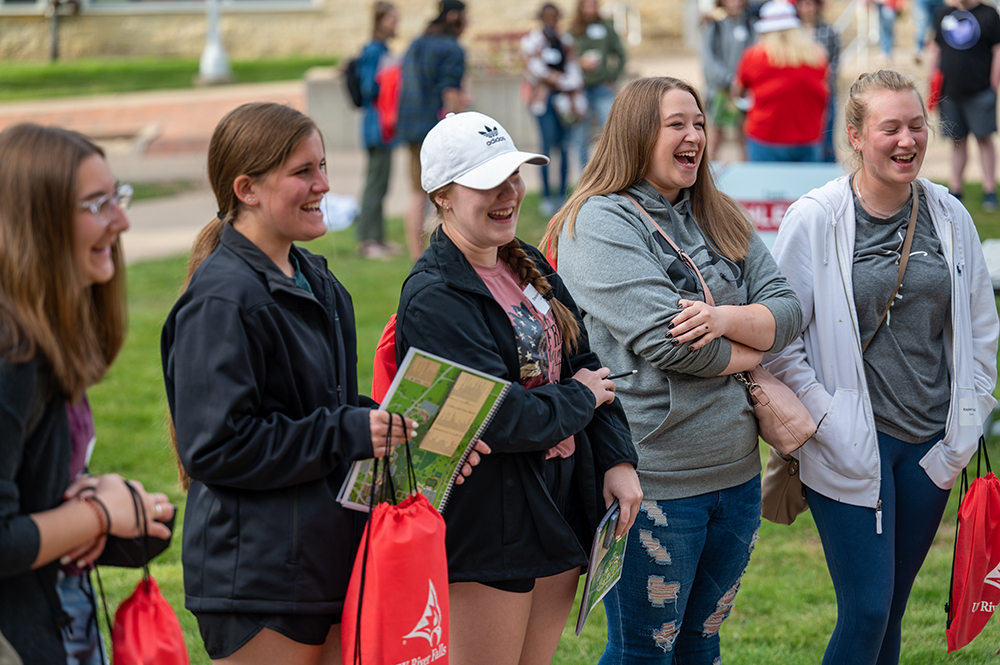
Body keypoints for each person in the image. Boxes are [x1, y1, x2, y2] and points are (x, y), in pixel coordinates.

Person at [161, 102, 440, 664]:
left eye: (323, 166)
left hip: (327, 557)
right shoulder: (221, 300)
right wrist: (348, 430)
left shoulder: (317, 278)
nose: (324, 185)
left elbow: (322, 408)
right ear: (247, 189)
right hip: (257, 576)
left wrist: (404, 426)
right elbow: (217, 446)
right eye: (303, 172)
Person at [543, 76, 802, 663]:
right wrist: (754, 345)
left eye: (700, 123)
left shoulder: (719, 213)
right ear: (637, 134)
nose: (695, 137)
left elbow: (788, 308)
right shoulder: (600, 222)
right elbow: (676, 347)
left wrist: (723, 317)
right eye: (676, 124)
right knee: (645, 651)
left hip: (737, 479)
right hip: (653, 483)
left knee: (701, 644)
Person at [764, 70, 1000, 665]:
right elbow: (781, 338)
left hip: (930, 449)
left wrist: (965, 427)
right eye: (889, 128)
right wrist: (824, 421)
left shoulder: (950, 215)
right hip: (847, 445)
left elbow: (979, 327)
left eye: (917, 126)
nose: (907, 140)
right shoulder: (816, 218)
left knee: (890, 609)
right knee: (867, 609)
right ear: (855, 136)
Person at [395, 110, 642, 665]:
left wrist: (617, 462)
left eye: (514, 175)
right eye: (487, 182)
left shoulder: (524, 261)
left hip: (560, 502)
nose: (509, 193)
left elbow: (587, 361)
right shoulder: (434, 294)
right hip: (492, 518)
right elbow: (495, 415)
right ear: (441, 195)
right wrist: (578, 397)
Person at [0, 123, 175, 665]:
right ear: (38, 222)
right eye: (97, 204)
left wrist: (107, 501)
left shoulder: (40, 341)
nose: (121, 220)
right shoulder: (13, 354)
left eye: (116, 197)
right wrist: (101, 514)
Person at [397, 0, 469, 262]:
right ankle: (440, 259)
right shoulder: (451, 48)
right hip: (438, 133)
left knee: (417, 193)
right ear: (453, 16)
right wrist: (461, 128)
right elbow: (450, 91)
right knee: (449, 195)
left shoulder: (418, 41)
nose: (467, 22)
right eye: (465, 16)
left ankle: (418, 259)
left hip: (411, 126)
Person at [732, 0, 829, 162]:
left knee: (765, 185)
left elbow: (738, 92)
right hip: (808, 136)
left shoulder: (754, 57)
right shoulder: (817, 55)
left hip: (765, 136)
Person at [928, 0, 1000, 210]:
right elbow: (936, 49)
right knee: (957, 140)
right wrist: (931, 84)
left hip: (981, 90)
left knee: (983, 138)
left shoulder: (989, 14)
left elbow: (997, 50)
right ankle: (956, 190)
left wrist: (993, 85)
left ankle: (989, 190)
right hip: (949, 91)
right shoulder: (943, 15)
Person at [521, 2, 587, 216]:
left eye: (554, 17)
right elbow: (534, 69)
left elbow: (573, 68)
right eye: (547, 17)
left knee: (565, 146)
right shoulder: (533, 41)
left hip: (564, 100)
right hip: (545, 101)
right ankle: (547, 196)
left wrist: (568, 86)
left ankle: (563, 194)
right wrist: (560, 80)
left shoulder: (565, 40)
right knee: (546, 147)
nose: (551, 21)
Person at [356, 1, 404, 260]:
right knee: (374, 184)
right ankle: (367, 240)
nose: (396, 23)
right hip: (376, 127)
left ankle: (379, 237)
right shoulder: (374, 51)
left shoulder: (383, 49)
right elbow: (368, 88)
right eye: (392, 19)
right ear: (380, 20)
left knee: (382, 184)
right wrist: (388, 77)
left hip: (385, 128)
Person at [569, 0, 627, 167]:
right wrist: (579, 63)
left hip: (602, 87)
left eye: (594, 4)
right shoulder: (573, 30)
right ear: (580, 7)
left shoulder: (607, 28)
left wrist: (612, 76)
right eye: (587, 5)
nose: (591, 8)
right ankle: (583, 181)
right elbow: (566, 58)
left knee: (612, 132)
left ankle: (612, 174)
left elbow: (621, 54)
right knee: (580, 137)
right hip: (579, 89)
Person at [701, 0, 755, 161]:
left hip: (745, 91)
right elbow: (709, 61)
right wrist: (730, 80)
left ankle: (749, 176)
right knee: (714, 138)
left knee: (745, 137)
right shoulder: (713, 27)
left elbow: (754, 55)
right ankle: (706, 178)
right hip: (719, 91)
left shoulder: (752, 26)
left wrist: (742, 82)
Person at [797, 0, 841, 162]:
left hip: (823, 91)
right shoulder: (793, 32)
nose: (808, 9)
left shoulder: (829, 31)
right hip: (799, 95)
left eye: (811, 4)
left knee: (826, 135)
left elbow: (835, 62)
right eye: (804, 4)